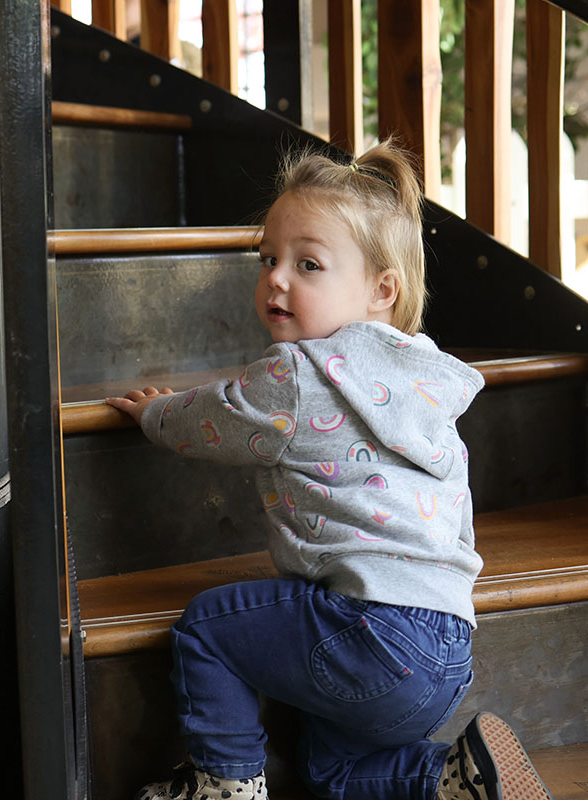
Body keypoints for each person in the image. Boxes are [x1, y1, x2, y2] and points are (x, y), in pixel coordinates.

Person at [105, 141, 553, 800]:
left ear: (381, 290)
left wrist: (156, 413)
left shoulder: (298, 373)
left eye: (307, 264)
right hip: (447, 647)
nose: (277, 279)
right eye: (268, 260)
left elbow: (217, 419)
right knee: (331, 773)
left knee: (205, 628)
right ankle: (456, 781)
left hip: (368, 632)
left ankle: (222, 783)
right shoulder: (423, 383)